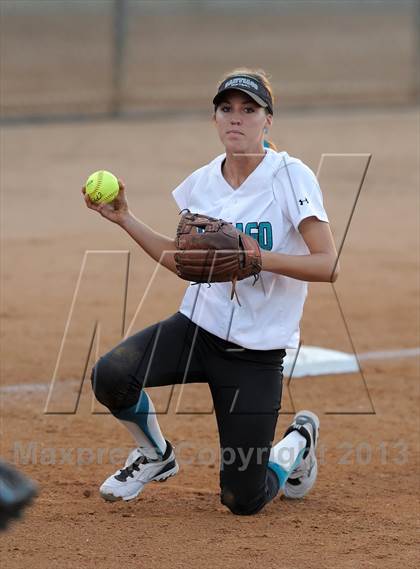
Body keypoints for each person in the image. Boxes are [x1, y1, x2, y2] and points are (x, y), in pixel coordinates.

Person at [82, 68, 339, 515]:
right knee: (112, 374)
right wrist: (125, 218)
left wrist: (257, 257)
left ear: (268, 120)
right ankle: (155, 455)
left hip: (256, 353)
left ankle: (298, 439)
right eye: (226, 109)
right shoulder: (201, 183)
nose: (236, 118)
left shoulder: (291, 177)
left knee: (243, 500)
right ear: (215, 119)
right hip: (197, 328)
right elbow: (184, 261)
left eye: (249, 109)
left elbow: (328, 265)